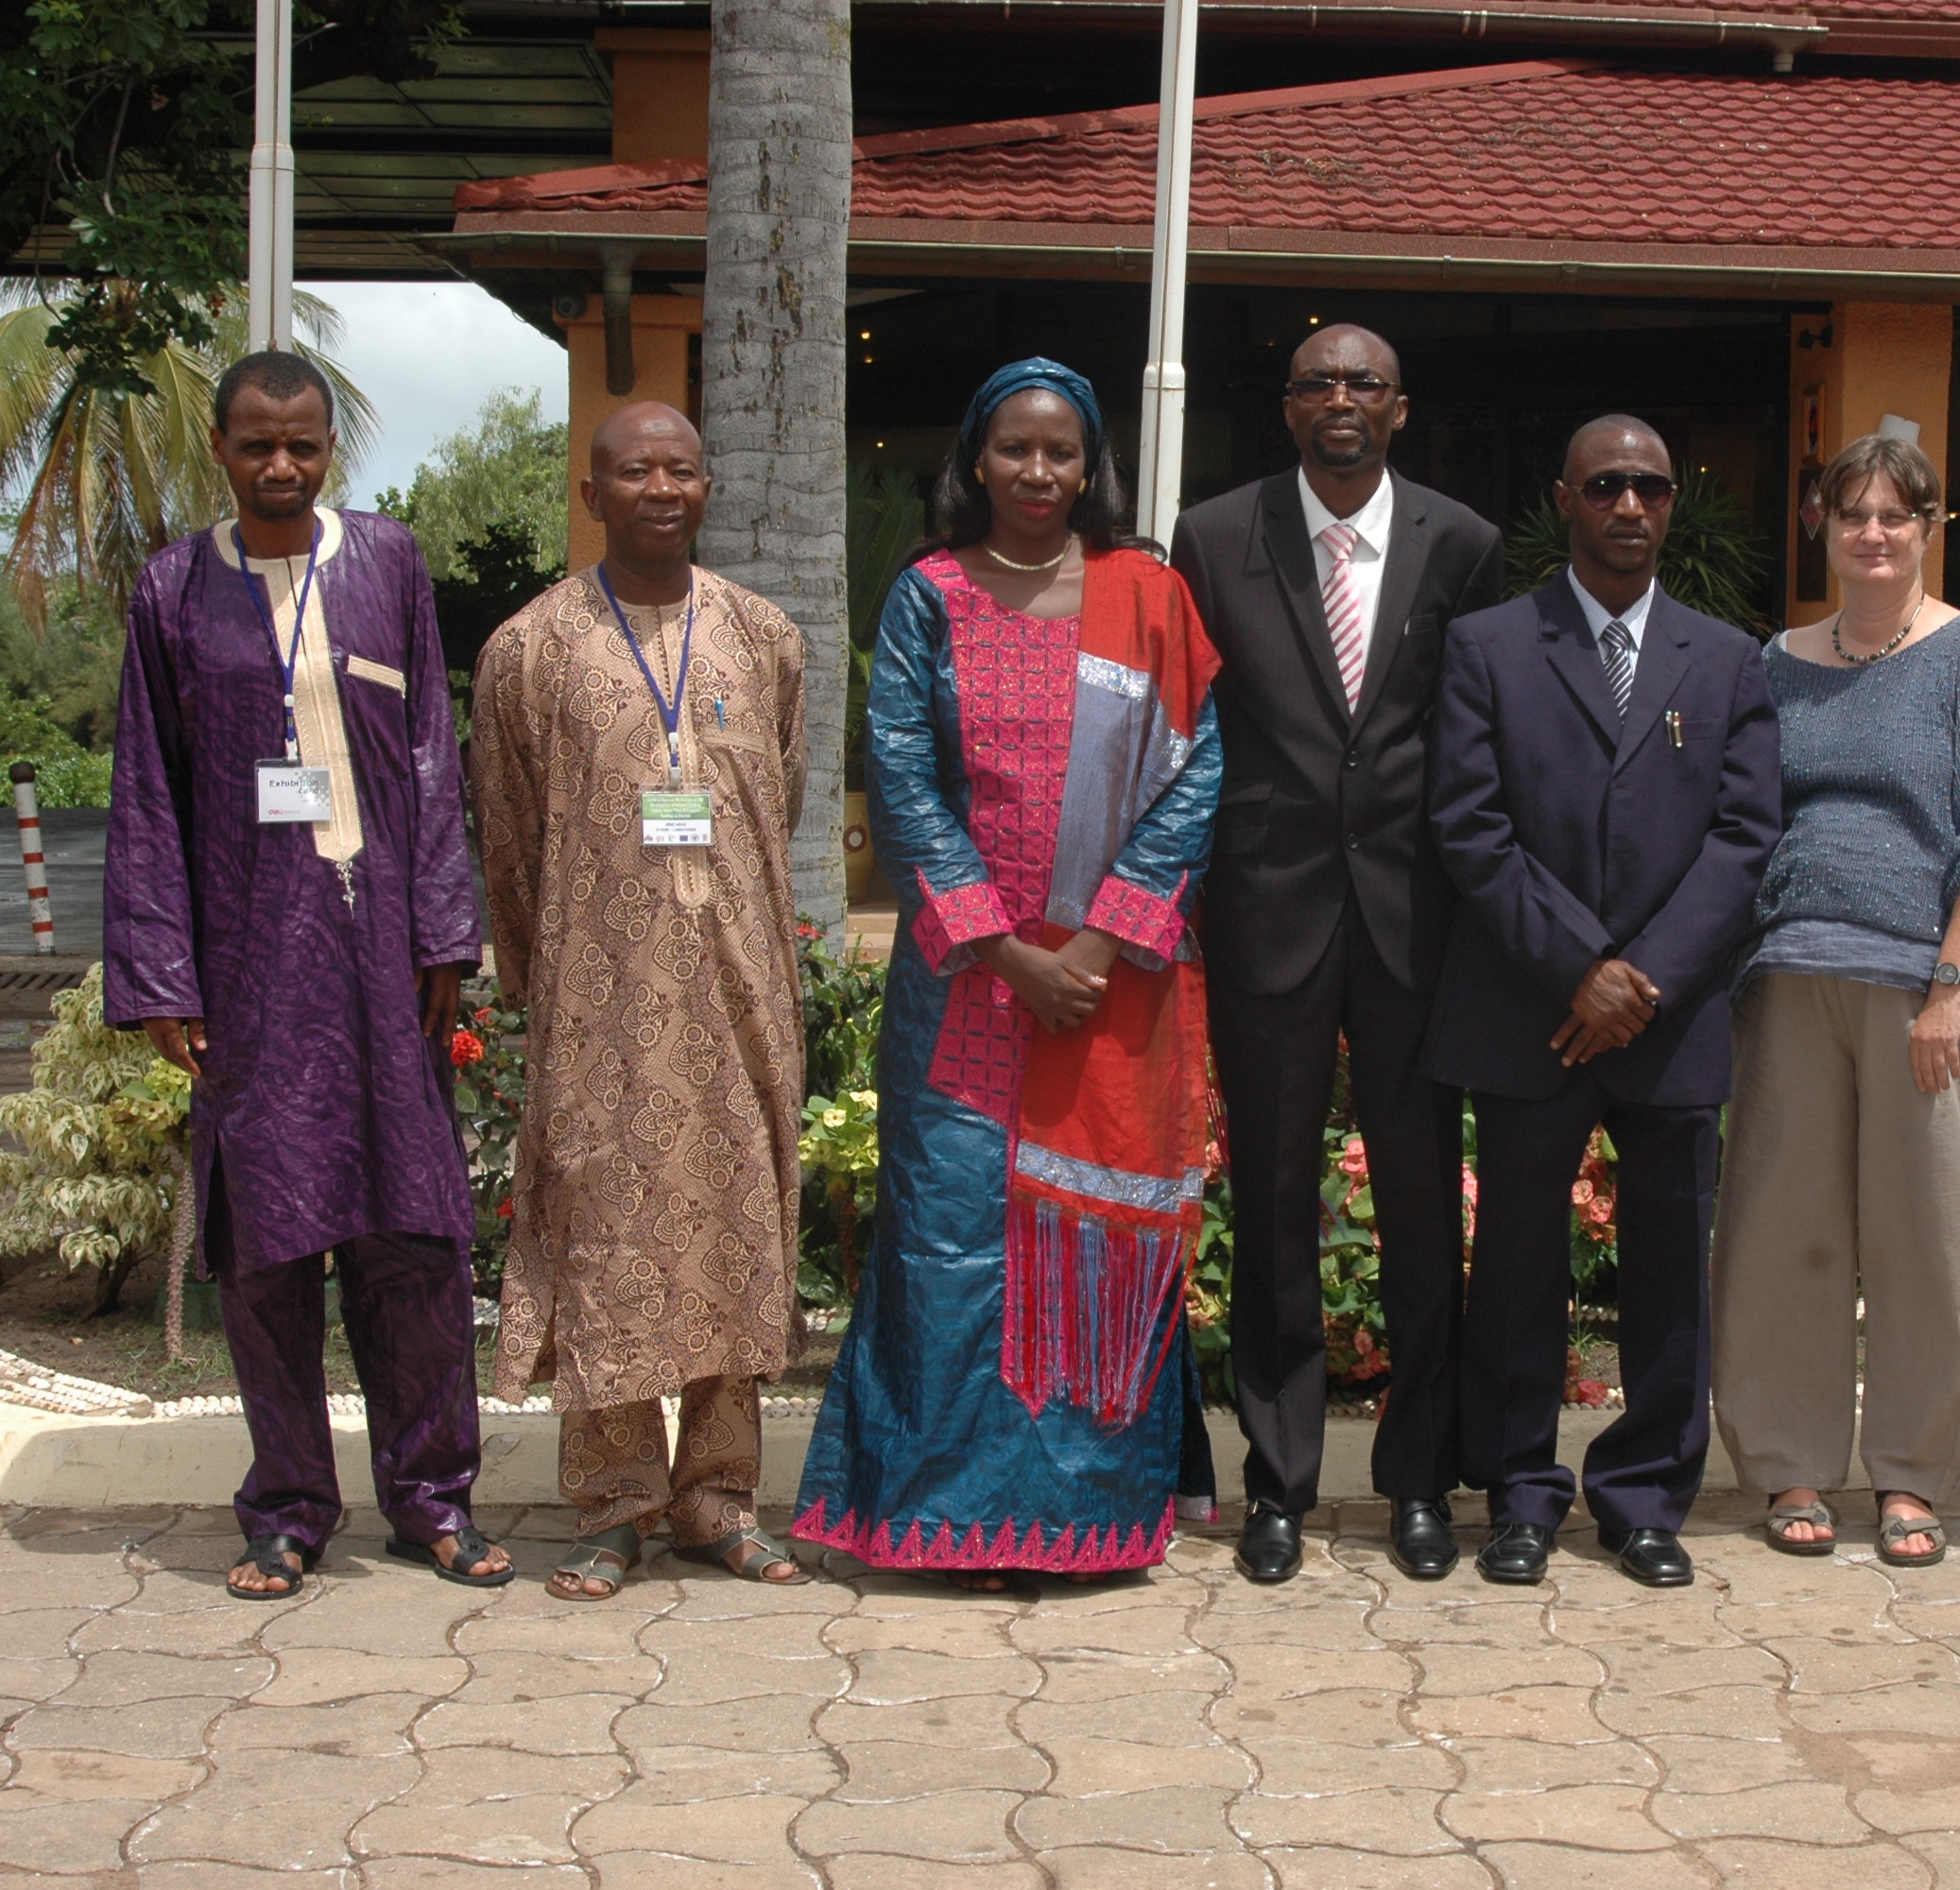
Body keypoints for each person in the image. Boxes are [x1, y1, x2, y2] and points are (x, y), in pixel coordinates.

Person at [793, 360, 1220, 1588]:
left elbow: (1197, 769)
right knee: (949, 1245)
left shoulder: (1147, 595)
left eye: (1060, 451)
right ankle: (937, 1520)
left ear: (1091, 468)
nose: (1037, 471)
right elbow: (902, 777)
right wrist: (1002, 948)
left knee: (1089, 1241)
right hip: (964, 993)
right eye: (1015, 448)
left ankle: (1081, 1523)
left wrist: (1094, 943)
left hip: (1107, 989)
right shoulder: (928, 595)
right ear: (975, 461)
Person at [105, 351, 511, 1600]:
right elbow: (147, 788)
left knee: (414, 1243)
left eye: (303, 444)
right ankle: (286, 1510)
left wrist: (444, 933)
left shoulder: (387, 562)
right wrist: (163, 976)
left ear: (331, 447)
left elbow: (433, 752)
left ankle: (432, 1500)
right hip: (251, 967)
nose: (280, 464)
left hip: (385, 962)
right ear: (220, 450)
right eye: (256, 444)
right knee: (268, 1252)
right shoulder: (174, 589)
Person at [1168, 323, 1504, 1585]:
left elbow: (1477, 731)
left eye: (1365, 382)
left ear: (1399, 407)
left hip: (1418, 916)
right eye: (1317, 382)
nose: (1341, 399)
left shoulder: (1461, 543)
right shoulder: (1215, 536)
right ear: (1288, 406)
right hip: (1269, 909)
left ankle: (1418, 1480)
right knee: (1271, 1203)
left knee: (1419, 1204)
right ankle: (1279, 1482)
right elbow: (1188, 723)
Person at [1427, 415, 1780, 1589]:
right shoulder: (1487, 645)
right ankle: (1520, 1492)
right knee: (1516, 1262)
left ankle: (1643, 1498)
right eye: (1606, 485)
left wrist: (1643, 977)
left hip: (1668, 1020)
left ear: (1671, 503)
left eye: (1650, 487)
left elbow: (1745, 836)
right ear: (1564, 499)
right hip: (1529, 1008)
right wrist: (1579, 966)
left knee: (1670, 1268)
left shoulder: (1725, 658)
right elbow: (1467, 825)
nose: (1629, 505)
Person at [470, 401, 813, 1600]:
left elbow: (781, 799)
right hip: (598, 1004)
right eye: (634, 471)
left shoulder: (764, 636)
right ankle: (614, 1505)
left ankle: (718, 1498)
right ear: (592, 494)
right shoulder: (527, 650)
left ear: (707, 486)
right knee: (604, 1235)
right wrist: (547, 977)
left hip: (741, 989)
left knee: (734, 1231)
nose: (661, 488)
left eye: (681, 469)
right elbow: (509, 838)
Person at [1711, 434, 1960, 1565]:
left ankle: (1912, 1473)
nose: (1872, 533)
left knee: (1925, 1240)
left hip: (1920, 991)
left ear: (1929, 528)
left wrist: (1951, 982)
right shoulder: (1777, 659)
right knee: (1779, 1234)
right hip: (1787, 980)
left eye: (1895, 514)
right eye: (1851, 512)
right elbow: (1744, 815)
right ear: (1822, 525)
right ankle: (1788, 1461)